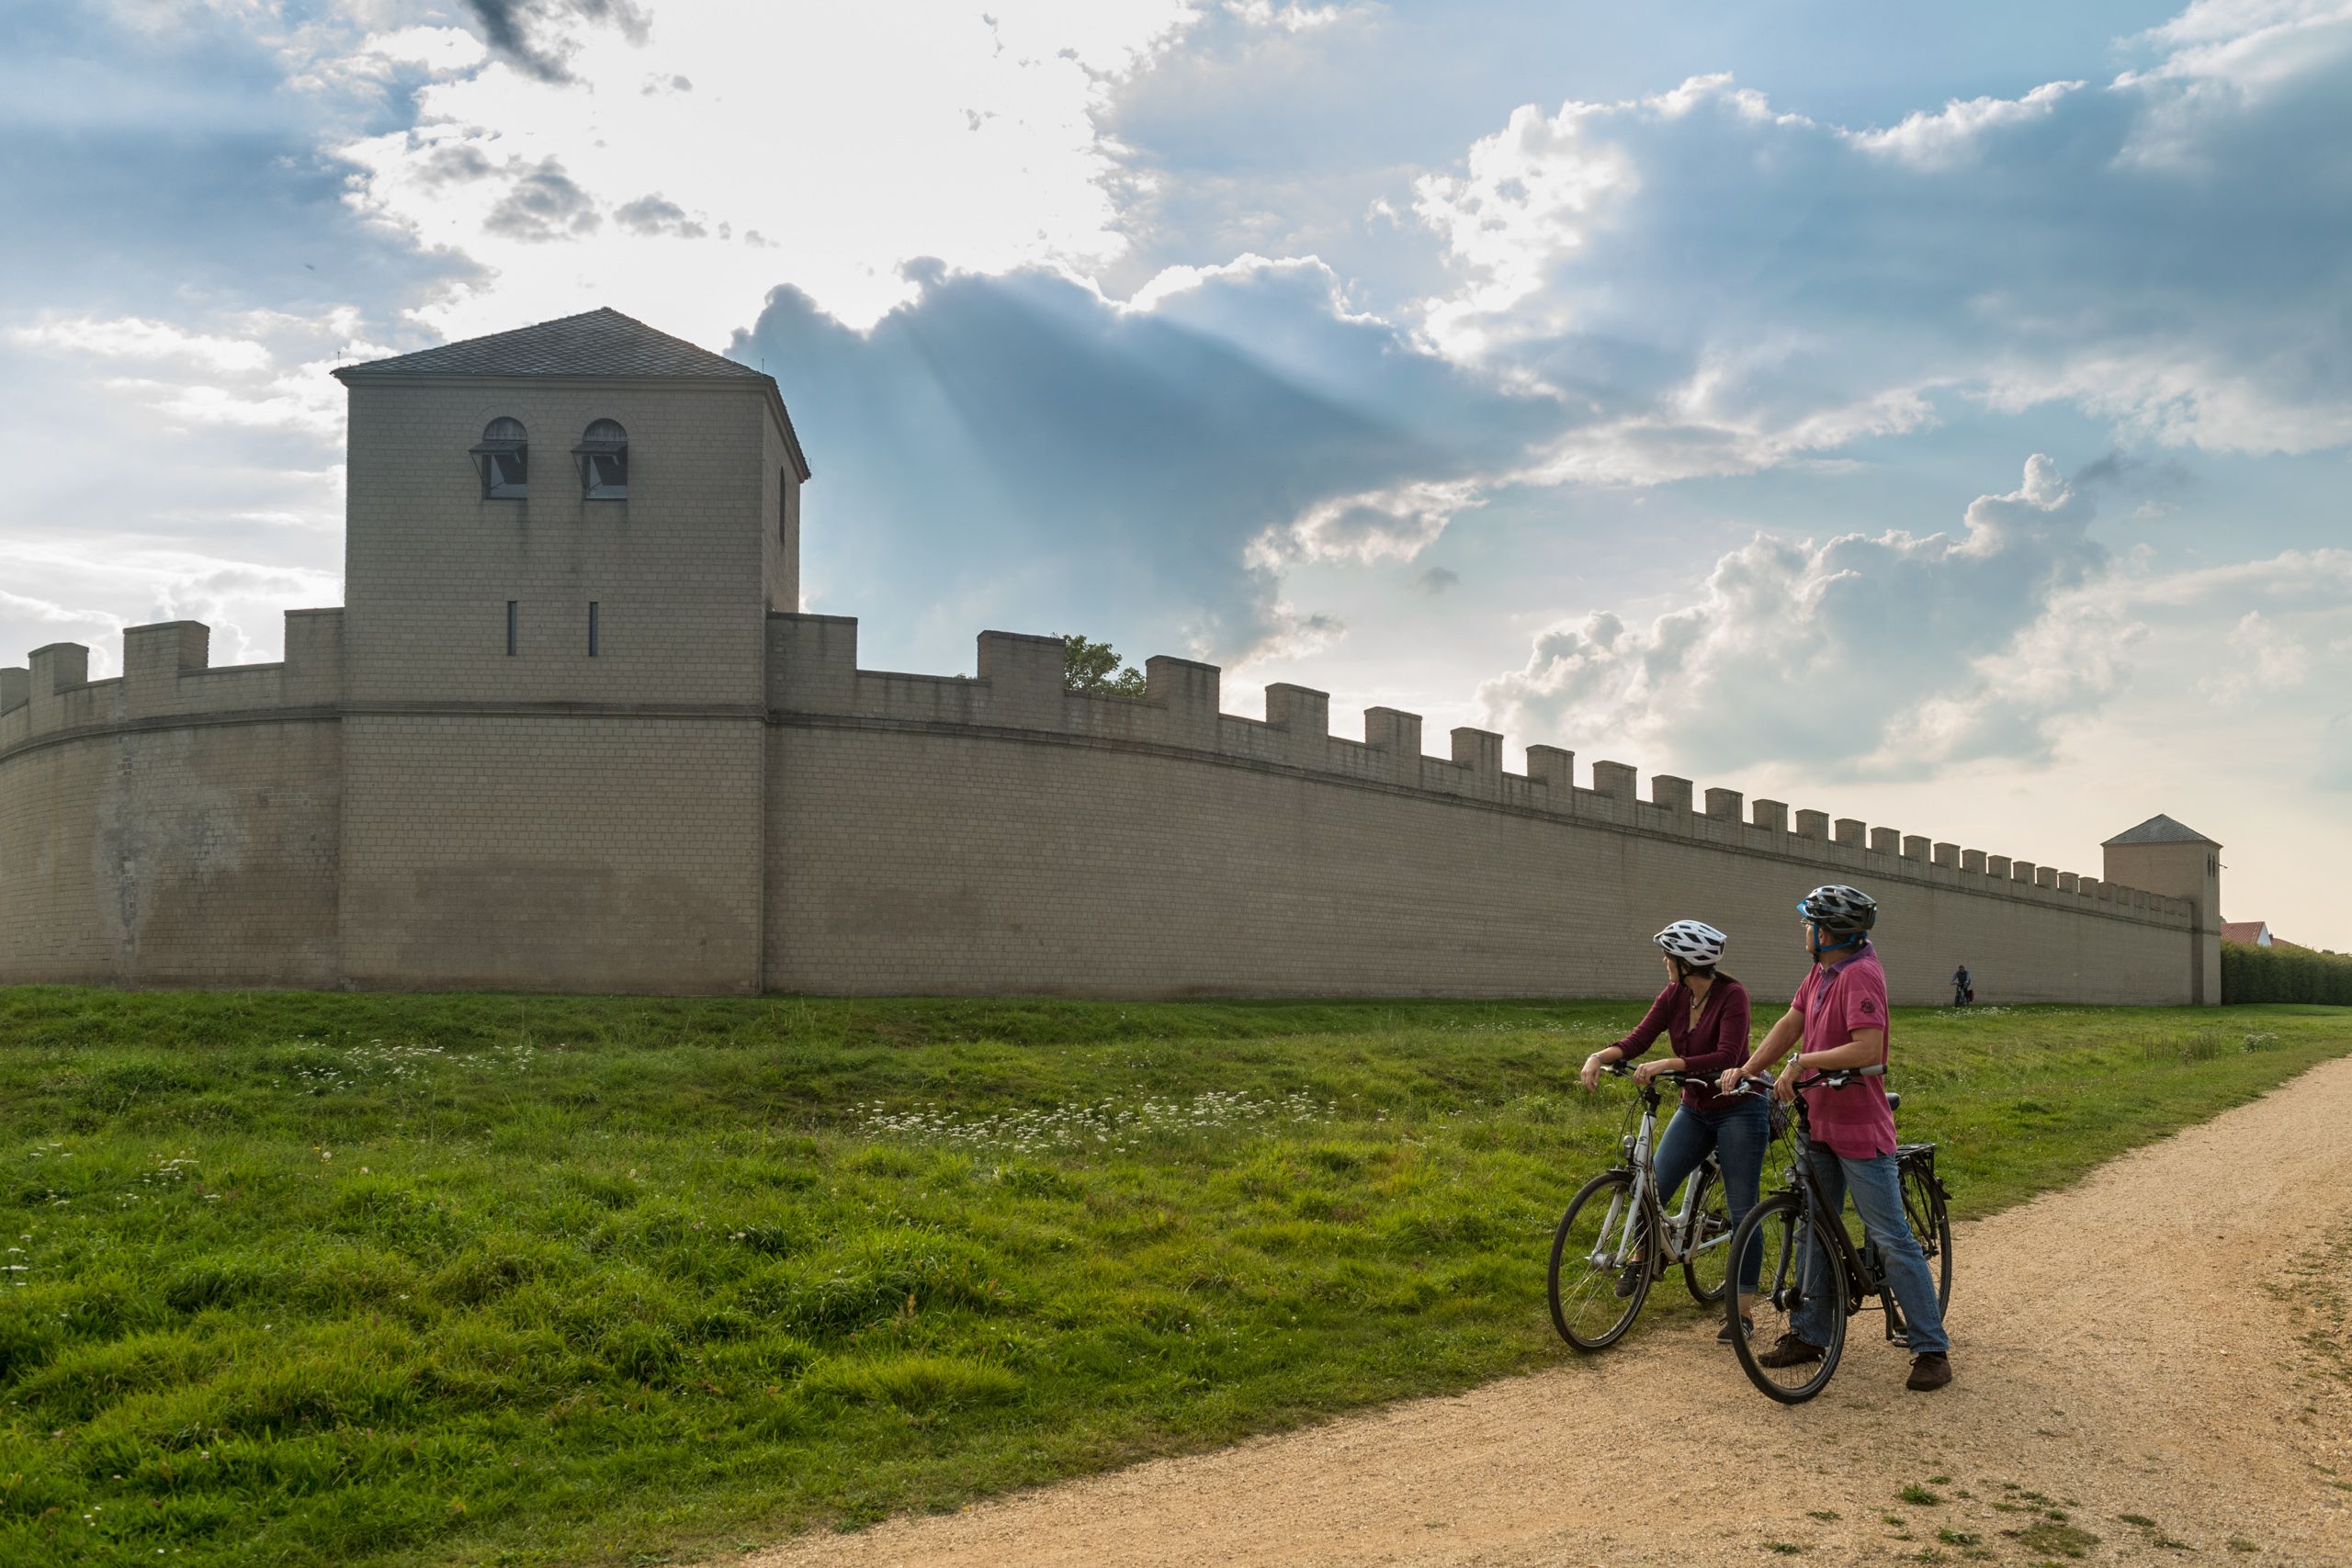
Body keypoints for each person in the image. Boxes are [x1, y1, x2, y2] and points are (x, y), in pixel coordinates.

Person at [1717, 885, 1952, 1392]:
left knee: (1889, 1236)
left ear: (1828, 933)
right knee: (1810, 1229)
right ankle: (1809, 1332)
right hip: (1816, 1122)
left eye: (1809, 924)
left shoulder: (1861, 974)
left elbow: (1867, 1046)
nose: (1804, 932)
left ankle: (1931, 1347)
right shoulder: (1823, 972)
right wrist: (1749, 1068)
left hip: (1857, 1129)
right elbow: (1791, 1024)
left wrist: (1805, 1063)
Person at [1579, 919, 1767, 1342]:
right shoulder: (1675, 995)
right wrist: (1597, 1055)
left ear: (1687, 963)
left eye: (1669, 956)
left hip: (1739, 1110)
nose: (1664, 962)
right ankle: (1647, 1256)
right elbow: (1638, 1038)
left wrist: (1668, 1065)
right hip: (1696, 1108)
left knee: (1743, 1211)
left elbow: (1728, 1055)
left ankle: (1743, 1314)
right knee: (1654, 1187)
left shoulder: (1732, 996)